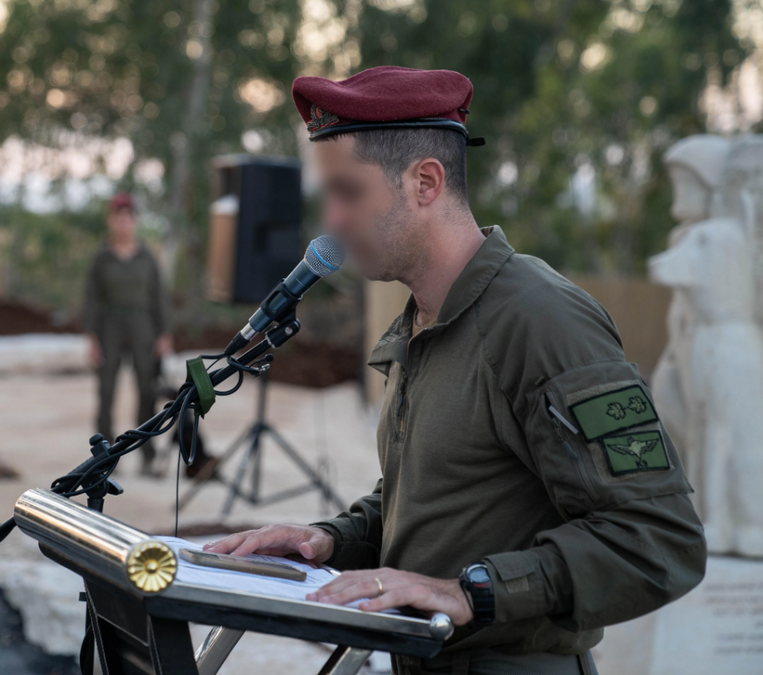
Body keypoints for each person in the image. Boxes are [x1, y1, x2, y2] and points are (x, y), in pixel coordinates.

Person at [205, 66, 706, 674]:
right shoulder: (424, 318)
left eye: (349, 192)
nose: (331, 221)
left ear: (425, 181)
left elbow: (658, 538)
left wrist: (471, 592)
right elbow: (438, 498)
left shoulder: (541, 321)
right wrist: (331, 540)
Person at [83, 192, 173, 478]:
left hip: (142, 325)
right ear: (112, 221)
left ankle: (146, 455)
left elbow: (159, 296)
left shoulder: (147, 257)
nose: (123, 224)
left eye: (128, 218)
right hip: (109, 325)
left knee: (147, 390)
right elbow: (91, 298)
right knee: (106, 390)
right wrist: (92, 338)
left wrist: (164, 333)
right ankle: (105, 457)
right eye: (118, 218)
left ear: (134, 221)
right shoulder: (102, 257)